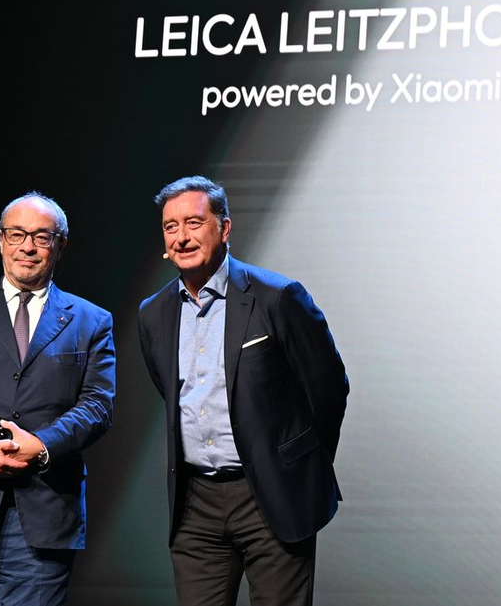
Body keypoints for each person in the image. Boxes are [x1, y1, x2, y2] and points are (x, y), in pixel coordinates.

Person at [138, 175, 348, 606]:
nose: (181, 237)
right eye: (171, 226)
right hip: (196, 505)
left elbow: (328, 389)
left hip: (272, 496)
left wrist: (295, 465)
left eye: (194, 222)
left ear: (225, 228)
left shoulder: (277, 297)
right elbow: (172, 395)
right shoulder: (153, 314)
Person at [0, 192, 116, 606]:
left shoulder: (92, 320)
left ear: (60, 244)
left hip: (45, 511)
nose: (27, 247)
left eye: (41, 236)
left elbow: (98, 404)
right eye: (17, 234)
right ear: (1, 239)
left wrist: (41, 445)